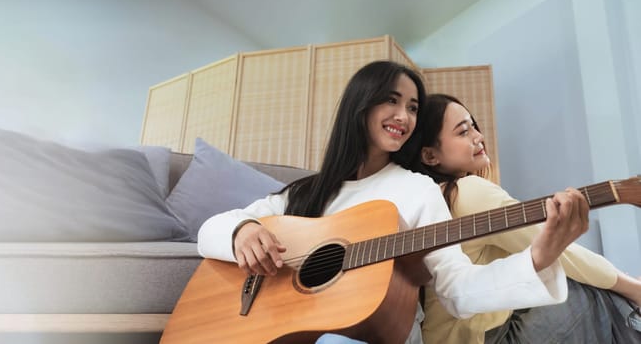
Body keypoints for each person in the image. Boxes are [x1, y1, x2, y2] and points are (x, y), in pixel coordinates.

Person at [197, 61, 589, 343]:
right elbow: (210, 229)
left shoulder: (416, 189)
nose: (404, 115)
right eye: (392, 101)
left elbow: (457, 288)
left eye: (414, 107)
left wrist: (538, 258)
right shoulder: (304, 193)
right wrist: (242, 232)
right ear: (360, 104)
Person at [411, 93, 641, 343]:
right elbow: (562, 254)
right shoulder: (467, 191)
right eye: (463, 132)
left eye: (474, 126)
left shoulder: (431, 201)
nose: (479, 137)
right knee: (583, 290)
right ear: (430, 156)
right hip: (483, 338)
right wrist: (634, 288)